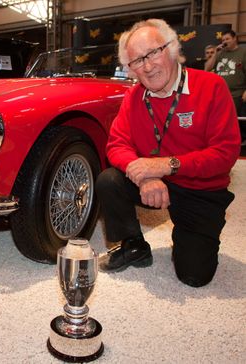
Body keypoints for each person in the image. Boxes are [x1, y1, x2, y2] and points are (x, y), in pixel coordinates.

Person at [95, 19, 240, 287]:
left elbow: (225, 154)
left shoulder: (212, 87)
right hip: (155, 182)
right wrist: (145, 176)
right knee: (108, 180)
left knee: (194, 276)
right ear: (130, 69)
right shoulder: (133, 97)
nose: (148, 67)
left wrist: (166, 166)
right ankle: (133, 244)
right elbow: (117, 144)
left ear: (171, 48)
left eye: (153, 53)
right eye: (137, 61)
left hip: (201, 191)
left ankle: (188, 236)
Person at [204, 30, 246, 143]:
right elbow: (207, 69)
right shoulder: (220, 53)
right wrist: (215, 54)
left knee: (235, 120)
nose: (225, 42)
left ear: (234, 39)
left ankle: (239, 141)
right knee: (220, 119)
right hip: (221, 93)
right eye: (223, 40)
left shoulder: (243, 51)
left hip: (238, 92)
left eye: (227, 39)